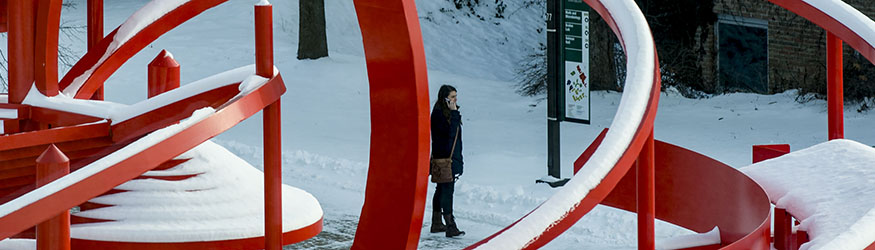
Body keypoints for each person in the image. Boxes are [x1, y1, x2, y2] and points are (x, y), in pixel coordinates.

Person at [430, 84, 465, 237]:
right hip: (445, 159)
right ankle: (450, 225)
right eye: (452, 97)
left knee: (441, 189)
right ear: (444, 98)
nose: (455, 100)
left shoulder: (446, 113)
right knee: (447, 191)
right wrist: (454, 114)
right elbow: (449, 135)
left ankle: (437, 223)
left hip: (448, 157)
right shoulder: (440, 115)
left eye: (455, 96)